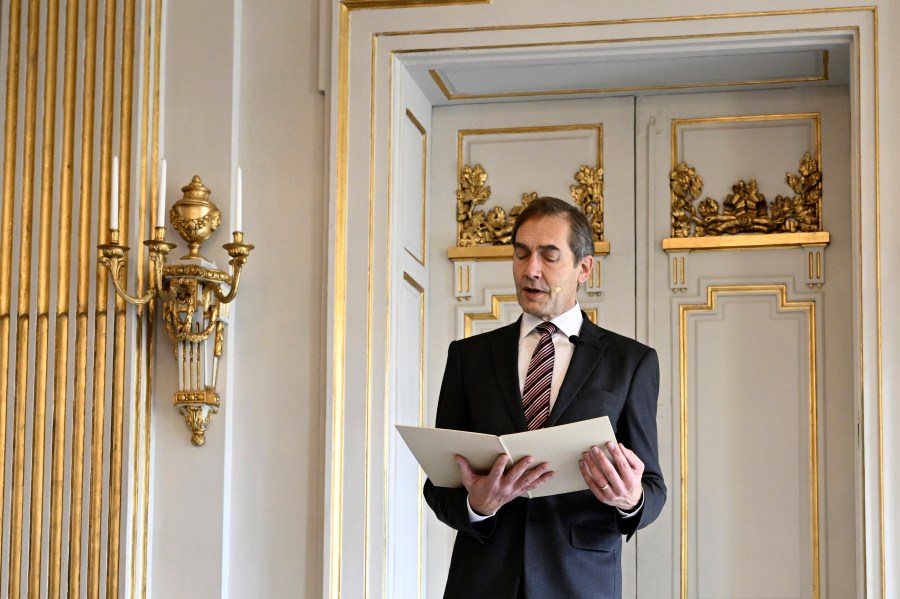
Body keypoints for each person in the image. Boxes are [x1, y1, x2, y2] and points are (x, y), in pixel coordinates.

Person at [424, 196, 665, 598]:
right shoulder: (468, 358)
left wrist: (630, 498)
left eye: (549, 256)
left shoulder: (631, 362)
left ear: (583, 267)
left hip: (580, 582)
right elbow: (439, 486)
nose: (530, 270)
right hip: (482, 582)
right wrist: (477, 507)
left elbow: (652, 487)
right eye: (521, 254)